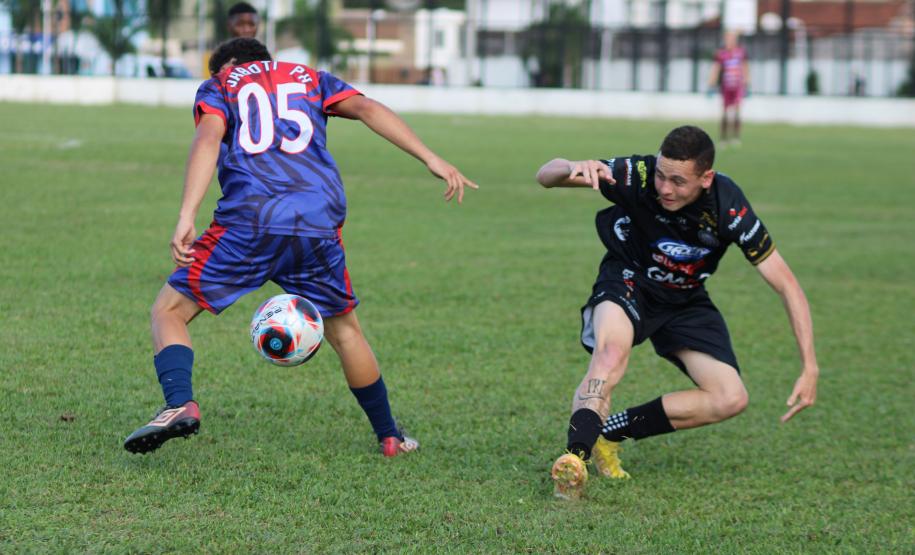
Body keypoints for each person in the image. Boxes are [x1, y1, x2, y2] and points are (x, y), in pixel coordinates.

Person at [123, 38, 477, 457]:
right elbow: (367, 108)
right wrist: (430, 158)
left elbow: (208, 137)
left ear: (228, 66)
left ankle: (179, 403)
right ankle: (390, 437)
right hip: (316, 221)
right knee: (345, 332)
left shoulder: (221, 85)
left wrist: (187, 214)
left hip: (249, 221)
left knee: (168, 310)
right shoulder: (310, 78)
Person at [536, 126, 819, 500]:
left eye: (678, 181)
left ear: (706, 178)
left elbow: (787, 284)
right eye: (661, 175)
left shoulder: (728, 206)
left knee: (730, 397)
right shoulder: (637, 174)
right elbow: (546, 175)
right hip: (629, 279)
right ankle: (574, 460)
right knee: (610, 355)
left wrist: (810, 365)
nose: (665, 188)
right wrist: (573, 165)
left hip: (685, 299)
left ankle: (612, 432)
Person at [708, 32, 750, 146]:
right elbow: (716, 69)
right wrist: (711, 84)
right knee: (725, 112)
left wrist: (747, 83)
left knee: (737, 112)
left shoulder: (741, 52)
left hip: (738, 86)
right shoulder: (721, 54)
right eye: (728, 39)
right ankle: (723, 138)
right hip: (726, 87)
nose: (730, 41)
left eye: (732, 39)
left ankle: (735, 137)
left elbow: (745, 67)